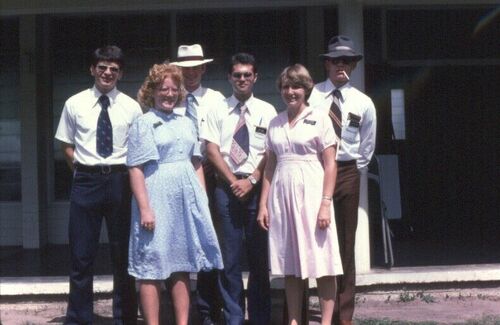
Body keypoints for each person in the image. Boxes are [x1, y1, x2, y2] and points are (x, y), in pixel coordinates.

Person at [126, 63, 223, 325]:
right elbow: (135, 169)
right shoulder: (144, 123)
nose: (168, 94)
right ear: (152, 92)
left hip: (184, 199)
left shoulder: (186, 123)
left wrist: (201, 200)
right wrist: (145, 207)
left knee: (181, 265)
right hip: (156, 196)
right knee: (151, 266)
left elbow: (197, 164)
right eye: (162, 89)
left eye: (173, 89)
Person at [54, 45, 141, 325]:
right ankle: (79, 318)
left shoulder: (131, 107)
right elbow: (66, 145)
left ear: (121, 73)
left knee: (123, 255)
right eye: (102, 68)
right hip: (87, 182)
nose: (107, 73)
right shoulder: (74, 103)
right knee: (81, 255)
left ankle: (125, 317)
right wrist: (83, 169)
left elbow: (138, 150)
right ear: (92, 70)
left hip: (120, 181)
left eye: (114, 69)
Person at [257, 64, 343, 325]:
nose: (290, 91)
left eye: (296, 86)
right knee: (291, 265)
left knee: (323, 262)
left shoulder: (320, 118)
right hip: (282, 197)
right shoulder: (275, 122)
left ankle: (326, 321)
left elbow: (330, 164)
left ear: (306, 89)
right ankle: (294, 320)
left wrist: (325, 204)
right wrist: (263, 204)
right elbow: (270, 166)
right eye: (285, 86)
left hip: (313, 195)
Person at [202, 53, 276, 325]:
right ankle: (234, 317)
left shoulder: (268, 111)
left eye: (247, 74)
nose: (242, 79)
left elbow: (271, 151)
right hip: (226, 189)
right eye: (237, 75)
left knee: (258, 258)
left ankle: (259, 319)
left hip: (258, 189)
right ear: (229, 78)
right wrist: (234, 182)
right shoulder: (217, 110)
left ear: (255, 77)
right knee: (229, 258)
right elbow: (211, 150)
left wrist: (253, 180)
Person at [309, 35, 377, 325]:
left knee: (346, 244)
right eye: (336, 60)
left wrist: (350, 168)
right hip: (315, 172)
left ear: (354, 65)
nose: (341, 66)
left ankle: (343, 315)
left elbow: (367, 146)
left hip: (347, 171)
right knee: (316, 241)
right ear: (326, 64)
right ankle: (314, 308)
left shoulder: (363, 102)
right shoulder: (311, 97)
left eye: (347, 61)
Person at [170, 44, 225, 325]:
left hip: (209, 173)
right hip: (176, 175)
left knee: (207, 241)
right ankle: (177, 311)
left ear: (204, 68)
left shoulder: (215, 99)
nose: (190, 73)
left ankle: (206, 309)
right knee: (176, 242)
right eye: (184, 68)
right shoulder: (168, 96)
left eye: (196, 67)